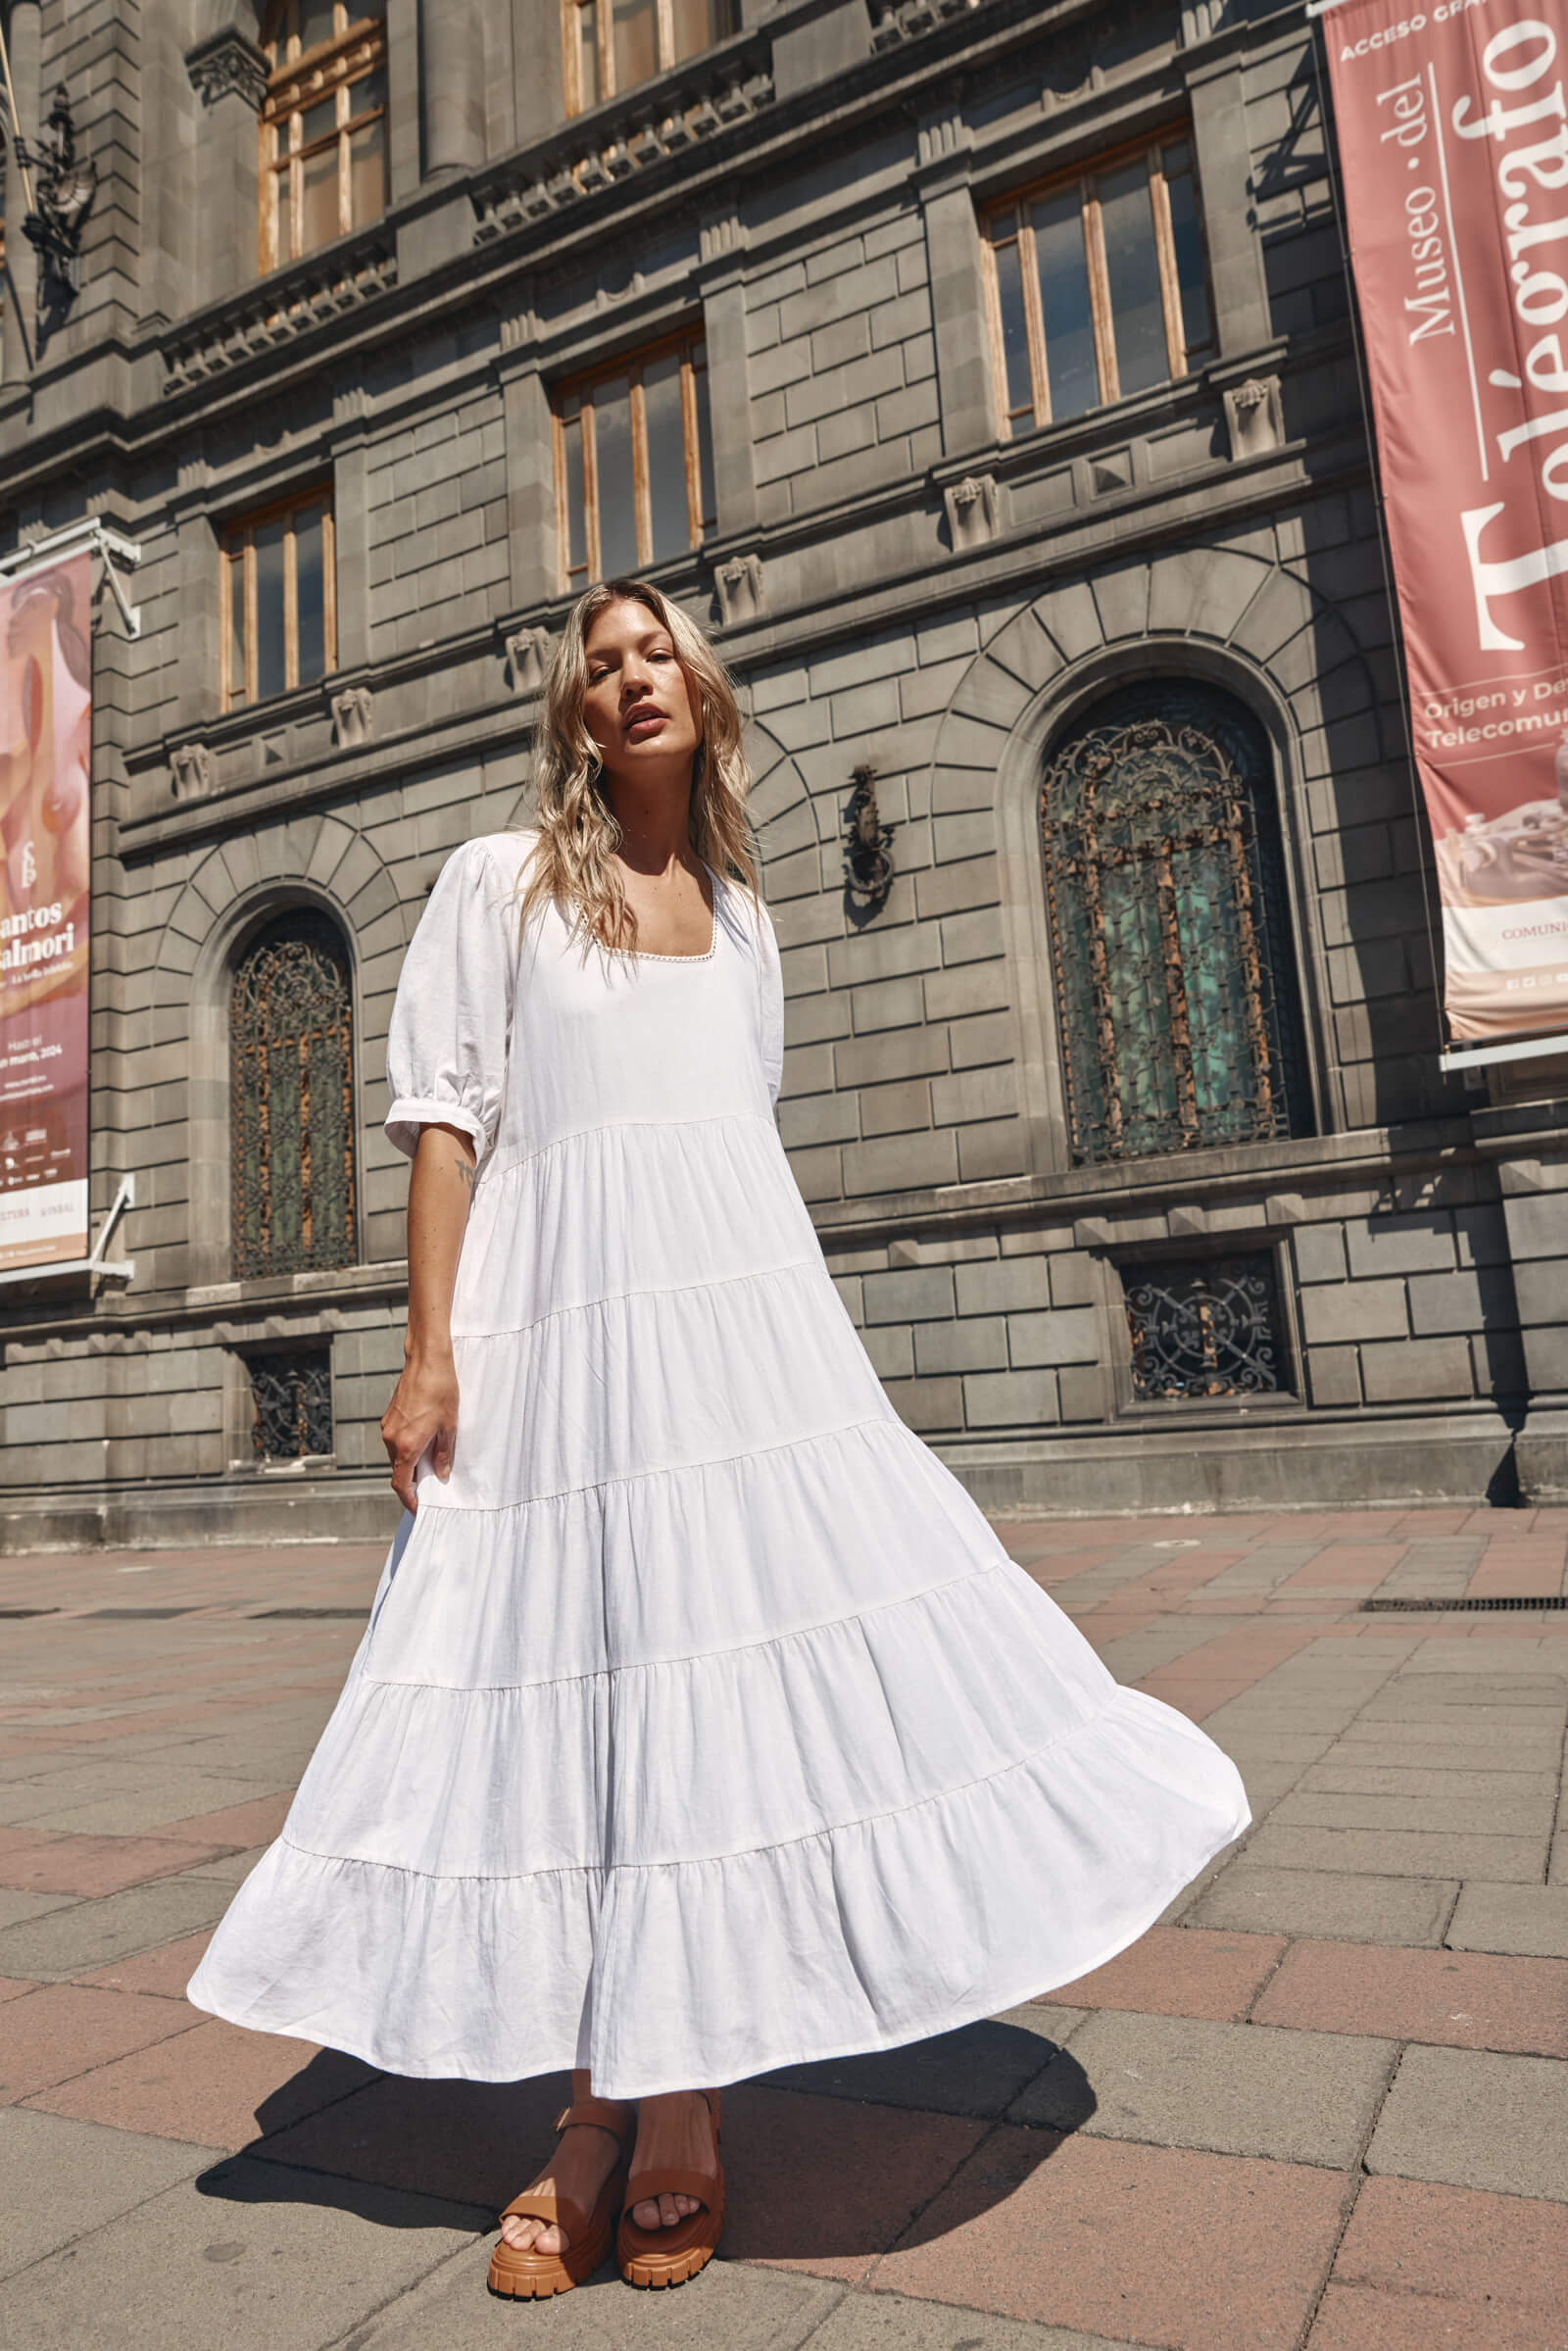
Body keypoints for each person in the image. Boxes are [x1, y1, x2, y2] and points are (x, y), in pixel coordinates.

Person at [188, 578, 1250, 2300]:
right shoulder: (500, 887)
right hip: (560, 1344)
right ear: (574, 718)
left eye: (655, 648)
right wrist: (428, 1355)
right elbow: (448, 1129)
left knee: (715, 1686)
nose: (630, 676)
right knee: (576, 1690)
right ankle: (619, 2102)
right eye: (598, 665)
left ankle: (641, 2106)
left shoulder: (749, 918)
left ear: (704, 686)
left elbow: (734, 1149)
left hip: (735, 1348)